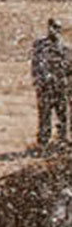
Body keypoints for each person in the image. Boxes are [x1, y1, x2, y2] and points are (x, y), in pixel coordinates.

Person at [31, 17, 70, 150]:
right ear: (48, 27)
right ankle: (43, 143)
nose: (54, 30)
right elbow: (35, 65)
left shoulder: (65, 49)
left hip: (60, 88)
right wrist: (38, 82)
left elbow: (69, 69)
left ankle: (62, 141)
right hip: (45, 87)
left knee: (62, 116)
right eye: (52, 27)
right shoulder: (40, 46)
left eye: (57, 28)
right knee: (44, 116)